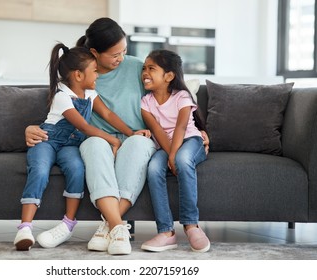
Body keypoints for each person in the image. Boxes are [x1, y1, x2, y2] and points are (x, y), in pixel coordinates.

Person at [25, 17, 208, 255]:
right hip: (99, 139)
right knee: (93, 145)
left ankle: (108, 227)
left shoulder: (136, 68)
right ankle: (118, 226)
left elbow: (170, 96)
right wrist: (30, 128)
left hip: (137, 137)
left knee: (138, 144)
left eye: (124, 51)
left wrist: (199, 128)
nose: (121, 59)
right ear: (94, 53)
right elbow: (59, 111)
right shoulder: (81, 74)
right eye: (114, 54)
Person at [14, 42, 143, 251]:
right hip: (48, 139)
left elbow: (108, 115)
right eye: (94, 71)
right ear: (78, 76)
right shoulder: (62, 96)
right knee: (39, 170)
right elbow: (82, 125)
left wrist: (130, 133)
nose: (97, 76)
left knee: (77, 169)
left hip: (69, 145)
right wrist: (113, 140)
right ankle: (25, 227)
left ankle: (68, 223)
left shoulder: (90, 94)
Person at [140, 49, 210, 253]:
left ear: (169, 76)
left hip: (189, 140)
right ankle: (166, 232)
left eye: (151, 68)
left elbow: (180, 128)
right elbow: (157, 130)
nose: (145, 72)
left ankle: (191, 225)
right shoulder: (145, 102)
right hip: (165, 145)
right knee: (153, 169)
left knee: (183, 160)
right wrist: (169, 153)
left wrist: (173, 155)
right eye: (144, 68)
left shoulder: (182, 96)